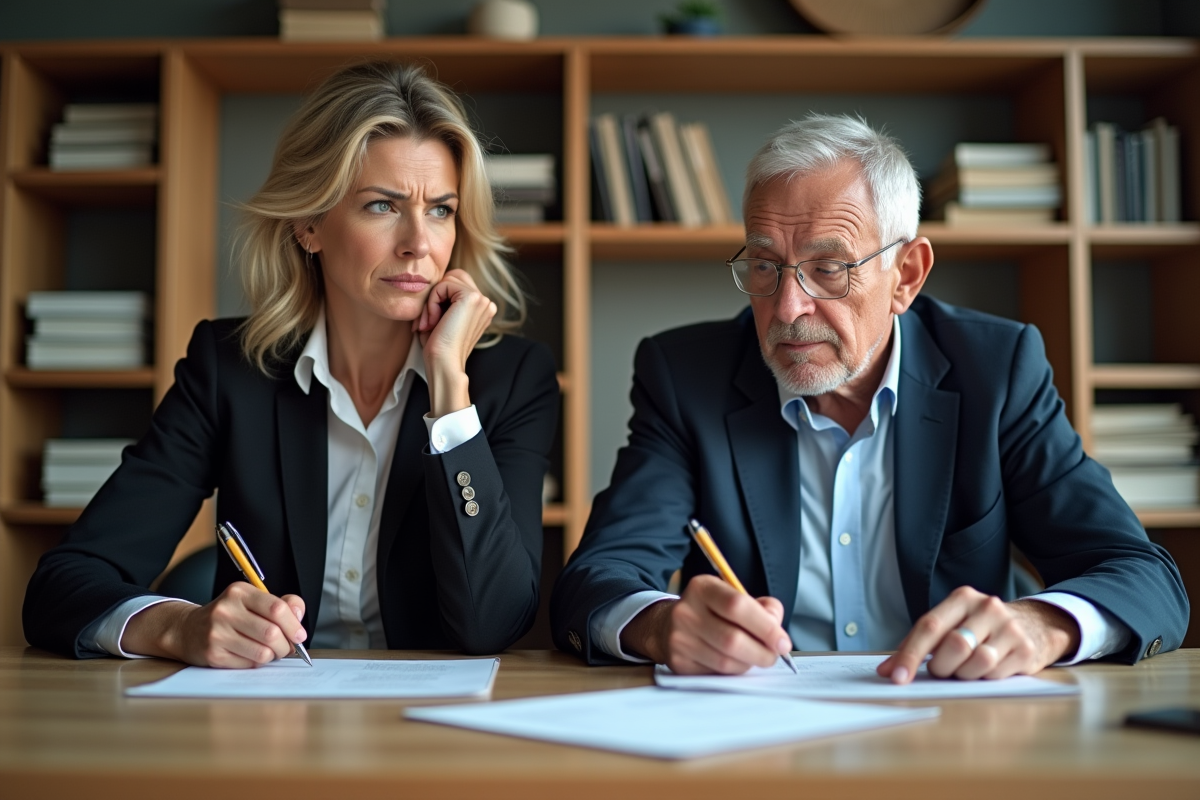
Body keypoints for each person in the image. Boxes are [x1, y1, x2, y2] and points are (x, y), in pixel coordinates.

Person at [551, 114, 1188, 681]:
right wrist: (661, 626)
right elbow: (595, 580)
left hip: (954, 730)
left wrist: (1043, 626)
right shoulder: (685, 375)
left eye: (829, 267)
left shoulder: (995, 369)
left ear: (906, 274)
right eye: (765, 266)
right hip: (758, 734)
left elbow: (1142, 575)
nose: (787, 307)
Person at [24, 62, 559, 666]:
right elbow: (64, 584)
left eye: (440, 210)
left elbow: (495, 623)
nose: (420, 242)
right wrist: (177, 626)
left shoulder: (514, 378)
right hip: (269, 722)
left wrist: (448, 391)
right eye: (383, 206)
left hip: (432, 736)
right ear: (309, 225)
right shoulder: (227, 369)